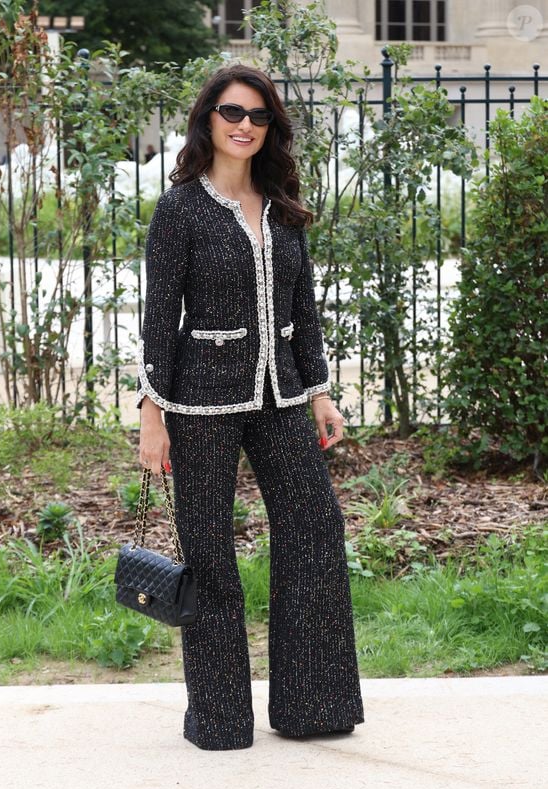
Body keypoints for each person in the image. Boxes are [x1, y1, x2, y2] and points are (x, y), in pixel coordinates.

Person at [137, 64, 364, 751]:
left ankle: (313, 706)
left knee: (315, 532)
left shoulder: (281, 202)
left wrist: (319, 389)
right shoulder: (181, 209)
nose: (245, 125)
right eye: (233, 112)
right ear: (208, 119)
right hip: (197, 406)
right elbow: (157, 314)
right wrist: (152, 414)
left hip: (281, 398)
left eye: (259, 116)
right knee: (208, 557)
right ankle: (220, 717)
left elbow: (304, 307)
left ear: (272, 129)